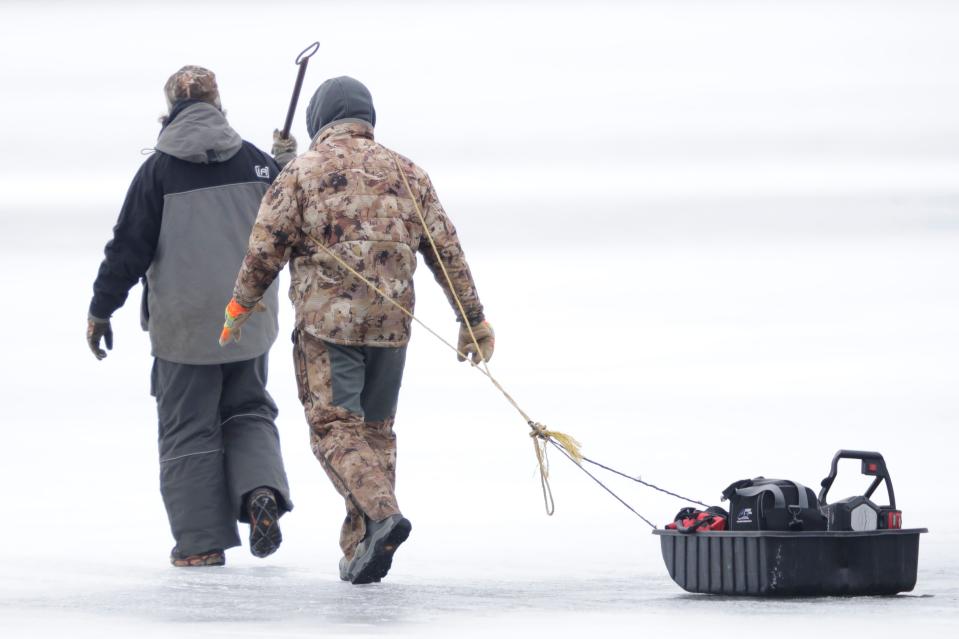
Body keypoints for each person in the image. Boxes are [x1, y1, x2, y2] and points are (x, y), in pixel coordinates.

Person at [219, 76, 495, 584]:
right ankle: (363, 545)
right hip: (393, 329)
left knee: (334, 430)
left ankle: (383, 515)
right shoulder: (409, 172)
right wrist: (472, 320)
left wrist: (239, 307)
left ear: (317, 119)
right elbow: (446, 250)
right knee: (374, 436)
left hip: (328, 329)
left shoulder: (301, 174)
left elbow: (265, 248)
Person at [87, 65, 297, 567]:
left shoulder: (157, 173)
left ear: (170, 111)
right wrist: (283, 164)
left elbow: (127, 250)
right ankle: (258, 492)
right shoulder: (255, 163)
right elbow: (292, 211)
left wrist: (101, 309)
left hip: (183, 331)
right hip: (247, 321)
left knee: (189, 428)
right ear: (218, 105)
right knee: (248, 412)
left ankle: (201, 545)